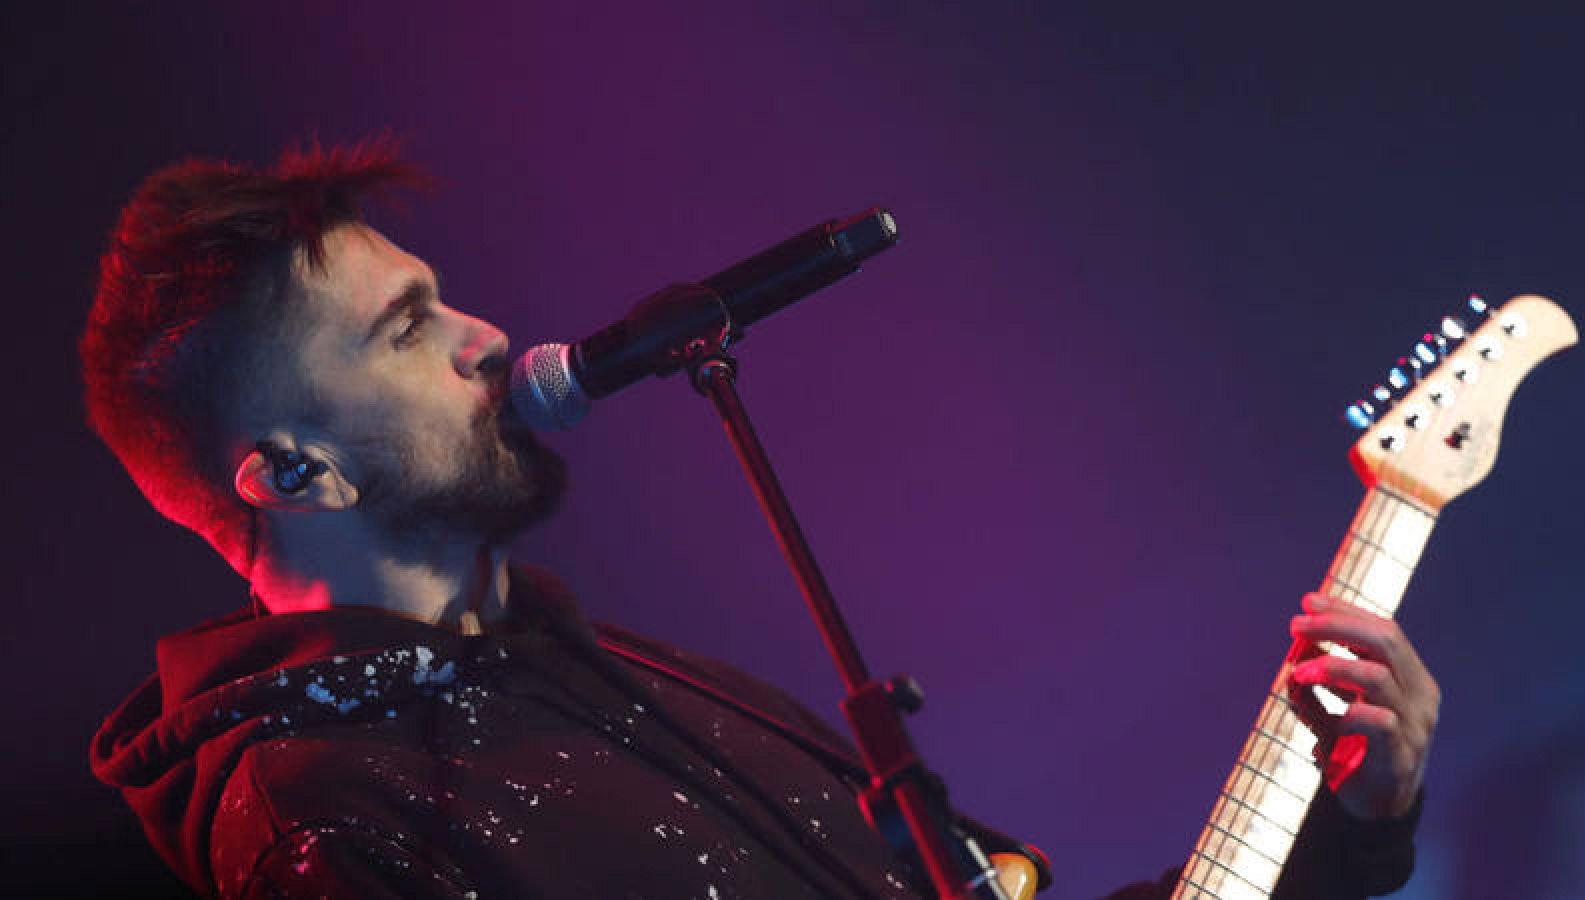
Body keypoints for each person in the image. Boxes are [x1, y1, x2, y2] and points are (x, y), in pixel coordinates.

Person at [84, 141, 1438, 899]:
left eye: (446, 298)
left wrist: (1351, 819)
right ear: (294, 470)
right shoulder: (321, 814)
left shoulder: (635, 676)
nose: (487, 338)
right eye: (405, 331)